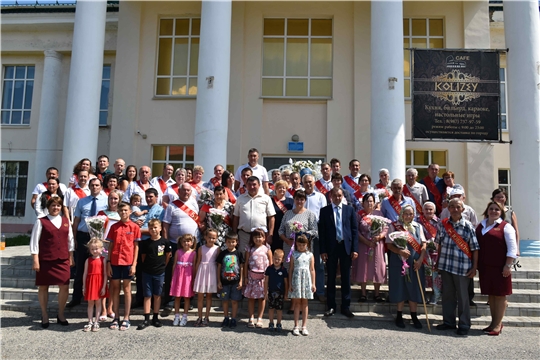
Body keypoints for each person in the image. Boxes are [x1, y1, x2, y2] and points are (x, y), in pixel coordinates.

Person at [435, 198, 480, 336]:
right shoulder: (443, 225)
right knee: (448, 296)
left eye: (458, 207)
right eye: (452, 207)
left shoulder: (468, 226)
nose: (455, 209)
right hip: (446, 265)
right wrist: (437, 262)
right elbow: (440, 244)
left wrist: (474, 267)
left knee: (463, 297)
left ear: (463, 209)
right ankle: (448, 322)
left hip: (462, 268)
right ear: (448, 209)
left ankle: (464, 324)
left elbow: (475, 248)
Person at [30, 197, 74, 328]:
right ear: (48, 207)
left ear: (61, 207)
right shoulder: (41, 221)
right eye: (53, 205)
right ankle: (44, 314)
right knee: (43, 286)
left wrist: (71, 256)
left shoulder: (66, 221)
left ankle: (60, 314)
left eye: (58, 206)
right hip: (46, 259)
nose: (56, 208)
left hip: (62, 259)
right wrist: (35, 260)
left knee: (65, 286)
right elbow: (34, 241)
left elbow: (70, 240)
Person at [476, 201, 517, 336]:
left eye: (497, 210)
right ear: (487, 210)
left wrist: (508, 265)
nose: (493, 211)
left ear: (501, 212)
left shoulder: (506, 227)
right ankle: (493, 323)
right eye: (491, 209)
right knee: (491, 296)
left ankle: (498, 324)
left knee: (500, 295)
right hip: (485, 267)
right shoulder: (481, 226)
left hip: (500, 267)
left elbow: (512, 248)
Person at [67, 177, 108, 308]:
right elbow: (77, 221)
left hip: (99, 238)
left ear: (101, 187)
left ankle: (99, 298)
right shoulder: (82, 201)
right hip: (83, 236)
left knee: (100, 268)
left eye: (97, 185)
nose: (95, 187)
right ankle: (76, 298)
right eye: (92, 185)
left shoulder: (107, 201)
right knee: (80, 268)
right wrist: (74, 238)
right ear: (89, 187)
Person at [320, 187, 359, 318]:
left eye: (340, 196)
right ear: (331, 196)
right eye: (335, 196)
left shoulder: (349, 210)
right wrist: (323, 250)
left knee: (346, 278)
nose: (337, 198)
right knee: (330, 278)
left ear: (343, 196)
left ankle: (345, 306)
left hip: (345, 247)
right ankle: (331, 306)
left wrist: (354, 249)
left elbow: (354, 231)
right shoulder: (324, 211)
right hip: (331, 247)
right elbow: (322, 232)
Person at [386, 205, 427, 329]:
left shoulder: (418, 226)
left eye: (411, 214)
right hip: (399, 262)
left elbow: (424, 244)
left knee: (414, 287)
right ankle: (399, 315)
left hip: (415, 262)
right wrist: (400, 252)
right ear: (401, 214)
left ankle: (414, 316)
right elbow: (389, 245)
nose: (408, 216)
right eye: (406, 214)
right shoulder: (394, 226)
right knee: (400, 286)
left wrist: (420, 260)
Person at [162, 183, 200, 306]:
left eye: (188, 190)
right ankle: (171, 298)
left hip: (193, 245)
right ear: (178, 191)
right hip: (175, 244)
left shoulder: (194, 203)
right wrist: (166, 242)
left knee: (190, 272)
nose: (186, 192)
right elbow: (166, 225)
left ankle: (188, 298)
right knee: (173, 272)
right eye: (184, 190)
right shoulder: (172, 206)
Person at [106, 202, 141, 331]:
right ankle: (116, 317)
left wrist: (134, 264)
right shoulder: (114, 227)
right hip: (115, 261)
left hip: (128, 261)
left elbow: (136, 247)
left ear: (130, 211)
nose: (124, 212)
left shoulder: (134, 227)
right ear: (118, 212)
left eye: (126, 210)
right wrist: (108, 263)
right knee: (115, 289)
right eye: (121, 211)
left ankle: (126, 317)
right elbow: (110, 246)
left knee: (127, 289)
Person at [136, 219, 172, 330]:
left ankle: (155, 317)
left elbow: (167, 256)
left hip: (159, 272)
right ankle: (146, 318)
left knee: (157, 295)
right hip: (147, 272)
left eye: (155, 227)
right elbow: (143, 257)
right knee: (147, 295)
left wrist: (162, 267)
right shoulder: (146, 243)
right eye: (151, 228)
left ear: (160, 228)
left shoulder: (165, 242)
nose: (153, 230)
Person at [353, 193, 388, 302]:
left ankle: (377, 293)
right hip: (364, 244)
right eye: (367, 201)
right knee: (363, 267)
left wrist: (379, 236)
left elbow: (386, 228)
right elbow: (356, 230)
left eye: (371, 201)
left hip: (377, 244)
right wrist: (366, 241)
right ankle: (363, 293)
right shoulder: (359, 215)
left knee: (377, 267)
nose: (369, 203)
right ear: (363, 203)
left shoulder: (379, 213)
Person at [301, 174, 327, 302]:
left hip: (317, 233)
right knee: (302, 263)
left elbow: (324, 216)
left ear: (314, 182)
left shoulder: (320, 197)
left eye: (310, 182)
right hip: (302, 234)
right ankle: (305, 290)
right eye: (306, 182)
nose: (308, 184)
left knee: (319, 264)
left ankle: (320, 291)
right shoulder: (300, 196)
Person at [232, 176, 276, 252]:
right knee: (243, 258)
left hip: (260, 236)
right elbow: (236, 217)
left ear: (259, 185)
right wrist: (235, 235)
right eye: (249, 184)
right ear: (246, 185)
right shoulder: (240, 199)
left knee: (259, 259)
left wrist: (270, 235)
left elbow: (271, 218)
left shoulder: (266, 198)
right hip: (244, 235)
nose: (252, 187)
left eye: (254, 184)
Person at [278, 190, 318, 271]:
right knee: (289, 270)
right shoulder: (288, 214)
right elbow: (281, 230)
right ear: (294, 199)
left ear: (305, 200)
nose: (299, 201)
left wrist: (303, 235)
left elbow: (315, 231)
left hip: (304, 248)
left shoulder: (310, 214)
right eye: (297, 199)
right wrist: (286, 240)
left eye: (302, 199)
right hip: (289, 247)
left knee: (303, 270)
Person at [244, 228, 272, 328]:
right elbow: (246, 262)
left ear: (264, 238)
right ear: (252, 238)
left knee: (262, 298)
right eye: (255, 237)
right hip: (251, 277)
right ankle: (251, 317)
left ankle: (260, 317)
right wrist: (245, 277)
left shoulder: (267, 248)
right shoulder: (249, 248)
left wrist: (270, 278)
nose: (258, 239)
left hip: (263, 278)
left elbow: (271, 263)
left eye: (260, 236)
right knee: (251, 298)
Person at [288, 235, 315, 336]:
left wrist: (313, 284)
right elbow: (290, 269)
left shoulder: (310, 255)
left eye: (303, 245)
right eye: (299, 245)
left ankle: (304, 326)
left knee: (305, 303)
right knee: (296, 303)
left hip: (306, 281)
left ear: (307, 244)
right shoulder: (293, 254)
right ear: (296, 245)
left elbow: (312, 270)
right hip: (296, 280)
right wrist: (290, 283)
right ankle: (296, 325)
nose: (301, 246)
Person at [192, 229, 220, 327]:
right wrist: (195, 275)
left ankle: (206, 317)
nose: (211, 239)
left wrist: (218, 277)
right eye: (209, 237)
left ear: (216, 239)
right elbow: (198, 261)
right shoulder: (201, 248)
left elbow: (218, 263)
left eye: (213, 238)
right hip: (202, 271)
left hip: (212, 272)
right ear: (205, 237)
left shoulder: (217, 249)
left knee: (209, 296)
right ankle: (199, 316)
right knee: (200, 296)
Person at [216, 233, 244, 329]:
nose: (231, 244)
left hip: (235, 282)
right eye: (229, 242)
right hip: (224, 282)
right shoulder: (223, 253)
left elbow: (241, 268)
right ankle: (226, 317)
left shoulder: (239, 254)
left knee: (235, 301)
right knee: (225, 301)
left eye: (233, 242)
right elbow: (219, 267)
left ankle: (234, 318)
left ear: (237, 242)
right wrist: (219, 281)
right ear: (225, 242)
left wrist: (241, 281)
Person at [82, 238, 108, 332]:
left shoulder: (103, 260)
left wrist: (104, 286)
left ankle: (96, 321)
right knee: (90, 303)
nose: (95, 251)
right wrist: (84, 286)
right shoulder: (87, 260)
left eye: (96, 249)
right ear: (89, 250)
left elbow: (105, 274)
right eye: (92, 249)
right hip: (90, 283)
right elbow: (85, 274)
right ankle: (90, 321)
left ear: (101, 249)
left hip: (99, 283)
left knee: (98, 303)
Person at [170, 234, 196, 327]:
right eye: (184, 241)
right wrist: (173, 277)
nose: (186, 243)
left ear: (192, 243)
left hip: (188, 277)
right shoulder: (178, 252)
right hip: (178, 276)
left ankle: (185, 316)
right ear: (181, 242)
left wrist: (193, 278)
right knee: (177, 297)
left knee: (186, 297)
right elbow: (174, 264)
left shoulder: (193, 253)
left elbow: (194, 267)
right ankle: (176, 316)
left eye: (188, 241)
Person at [264, 248, 288, 332]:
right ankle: (271, 323)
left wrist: (286, 293)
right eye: (275, 258)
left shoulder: (284, 270)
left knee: (279, 309)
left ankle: (279, 323)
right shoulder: (269, 269)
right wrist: (265, 292)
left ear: (282, 260)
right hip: (271, 292)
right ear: (272, 258)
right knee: (271, 308)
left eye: (279, 259)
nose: (276, 260)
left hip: (280, 293)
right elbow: (266, 280)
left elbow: (286, 282)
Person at [491, 188, 520, 256]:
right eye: (497, 197)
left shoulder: (510, 213)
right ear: (493, 198)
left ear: (505, 198)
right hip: (493, 244)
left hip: (508, 244)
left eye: (502, 197)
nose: (500, 199)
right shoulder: (490, 212)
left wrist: (517, 248)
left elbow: (516, 231)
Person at [271, 180, 294, 251]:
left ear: (286, 189)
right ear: (275, 189)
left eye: (283, 188)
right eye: (279, 187)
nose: (282, 189)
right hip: (275, 229)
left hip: (287, 230)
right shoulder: (271, 201)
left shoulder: (291, 201)